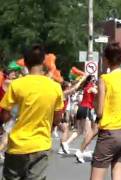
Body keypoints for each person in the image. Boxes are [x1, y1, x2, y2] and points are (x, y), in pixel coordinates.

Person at [0, 45, 64, 179]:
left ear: (26, 63)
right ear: (43, 62)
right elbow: (58, 118)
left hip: (16, 146)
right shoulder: (55, 87)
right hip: (40, 145)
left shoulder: (16, 85)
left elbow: (5, 115)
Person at [90, 42, 121, 180]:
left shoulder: (105, 79)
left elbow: (99, 112)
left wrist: (95, 100)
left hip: (110, 132)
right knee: (118, 176)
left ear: (106, 60)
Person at [61, 75, 97, 162]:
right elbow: (97, 92)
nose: (95, 82)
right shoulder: (91, 88)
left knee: (80, 131)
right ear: (90, 81)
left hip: (81, 108)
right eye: (93, 80)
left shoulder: (85, 88)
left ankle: (66, 143)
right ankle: (81, 151)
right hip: (86, 109)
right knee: (88, 132)